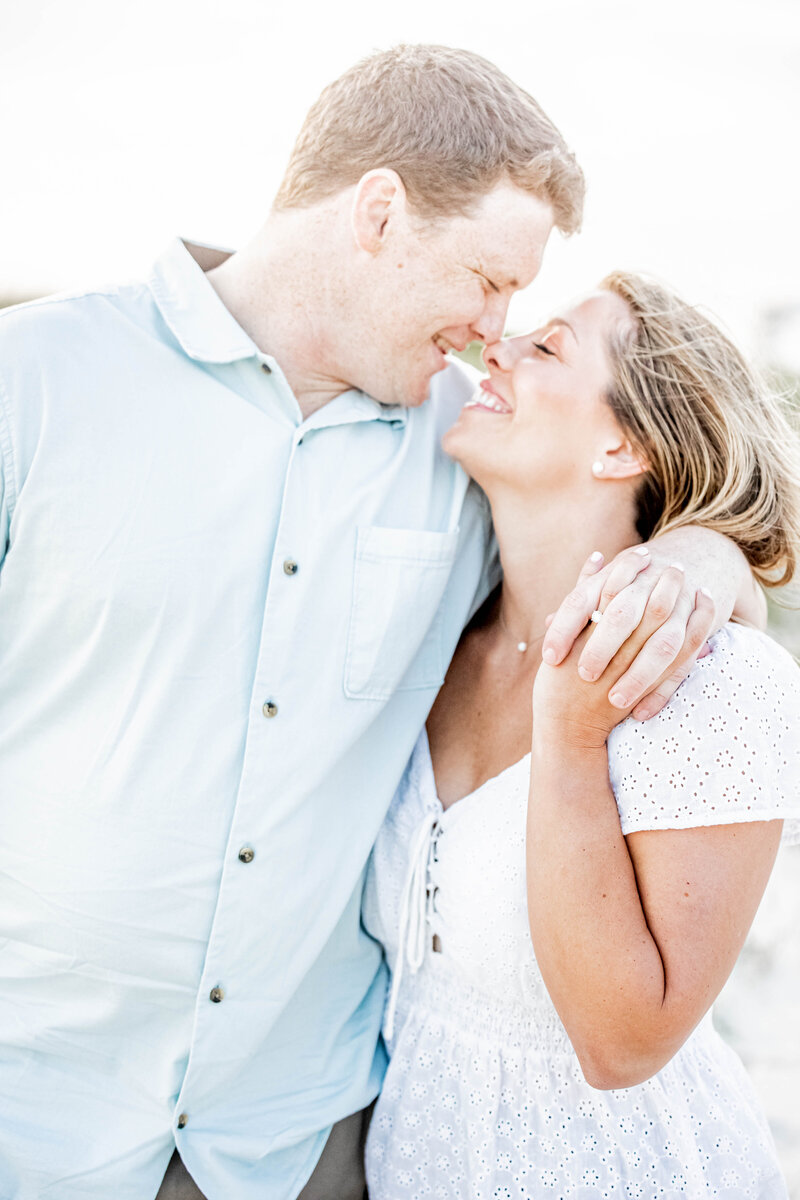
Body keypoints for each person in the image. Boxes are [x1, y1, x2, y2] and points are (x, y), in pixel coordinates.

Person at [0, 47, 761, 1200]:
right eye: (488, 278)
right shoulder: (36, 378)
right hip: (36, 1117)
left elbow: (658, 514)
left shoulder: (461, 443)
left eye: (523, 309)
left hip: (298, 1142)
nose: (492, 331)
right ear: (376, 212)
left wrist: (704, 559)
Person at [363, 272, 800, 1198]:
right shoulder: (442, 632)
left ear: (623, 447)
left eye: (550, 345)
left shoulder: (720, 686)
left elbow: (622, 1043)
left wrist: (569, 731)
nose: (500, 350)